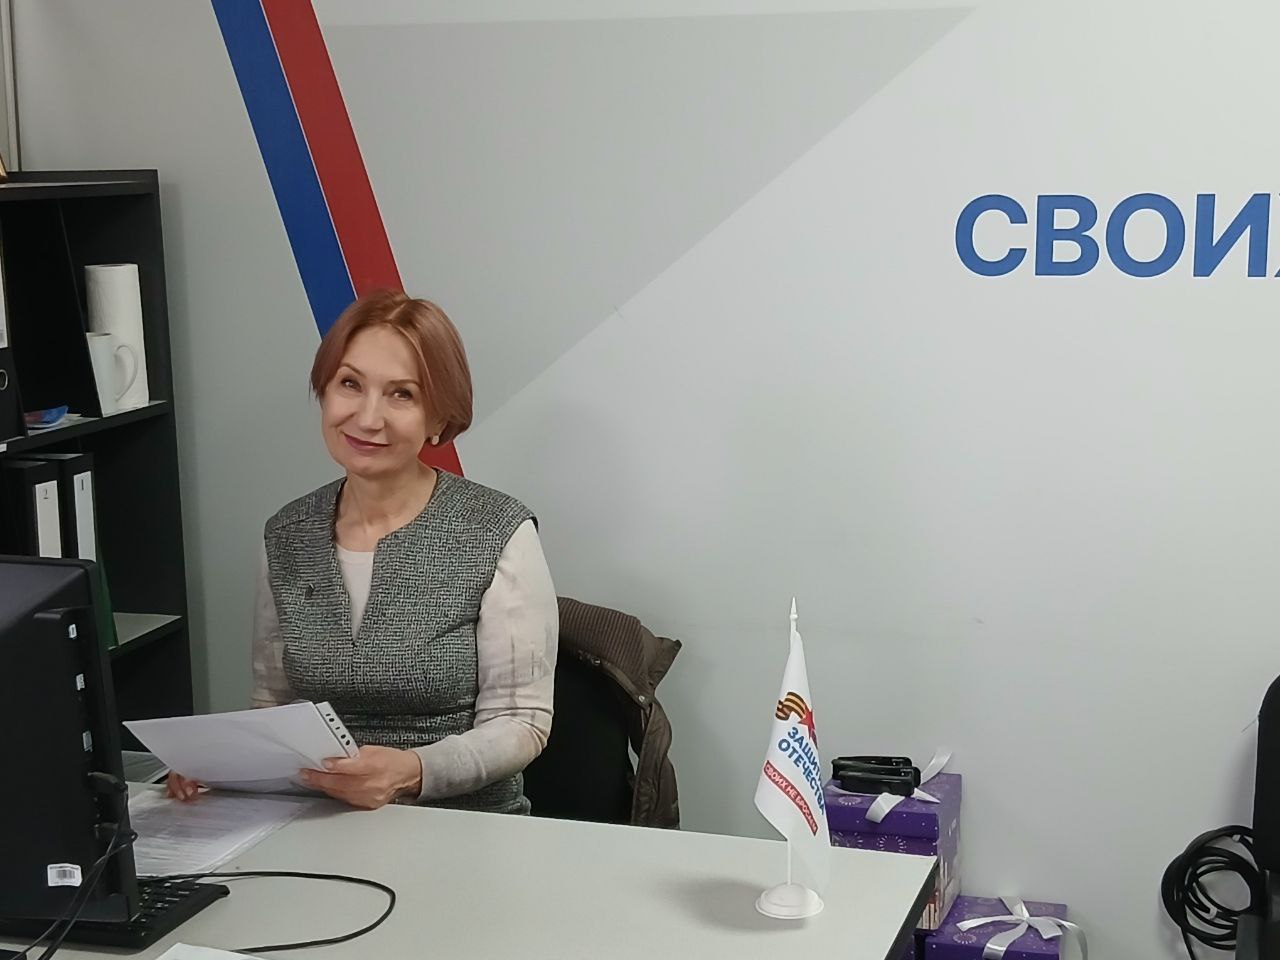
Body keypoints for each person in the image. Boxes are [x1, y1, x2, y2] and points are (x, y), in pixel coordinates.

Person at [168, 291, 558, 813]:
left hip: (464, 827)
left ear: (438, 419)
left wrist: (412, 771)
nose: (368, 417)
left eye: (402, 395)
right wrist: (223, 764)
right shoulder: (286, 534)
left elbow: (521, 721)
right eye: (350, 384)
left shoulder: (496, 529)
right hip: (319, 823)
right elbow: (274, 708)